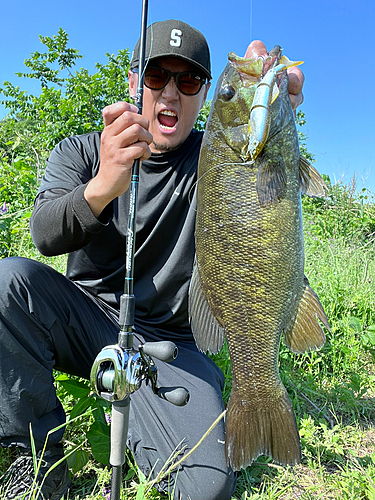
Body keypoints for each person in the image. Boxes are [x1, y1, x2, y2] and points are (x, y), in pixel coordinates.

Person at [0, 19, 304, 500]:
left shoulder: (223, 155)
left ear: (204, 94)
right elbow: (43, 233)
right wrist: (104, 185)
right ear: (132, 81)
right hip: (87, 320)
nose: (169, 94)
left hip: (173, 348)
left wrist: (279, 111)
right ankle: (37, 464)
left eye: (187, 81)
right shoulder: (80, 151)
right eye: (156, 76)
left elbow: (268, 179)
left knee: (207, 487)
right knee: (7, 282)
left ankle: (164, 409)